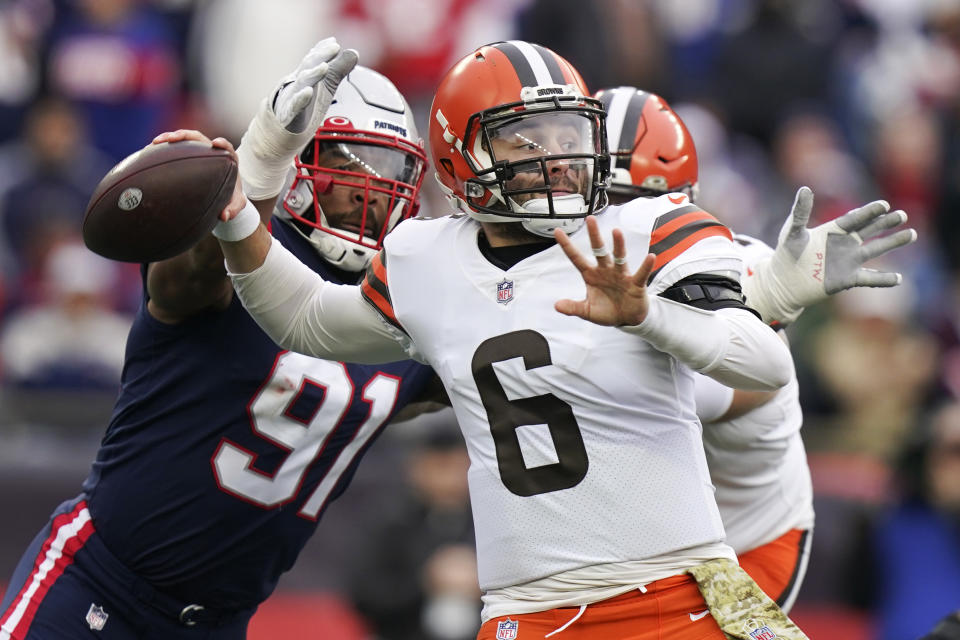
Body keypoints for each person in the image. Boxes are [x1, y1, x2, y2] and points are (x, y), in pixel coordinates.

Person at [212, 40, 806, 640]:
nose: (558, 158)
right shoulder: (426, 260)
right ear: (459, 154)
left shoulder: (648, 225)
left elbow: (764, 363)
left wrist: (647, 314)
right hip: (527, 611)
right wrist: (243, 202)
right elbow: (304, 319)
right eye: (527, 139)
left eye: (569, 134)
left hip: (678, 594)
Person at [0, 41, 438, 639]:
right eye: (350, 163)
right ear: (300, 164)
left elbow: (494, 364)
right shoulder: (242, 252)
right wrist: (254, 166)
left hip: (219, 624)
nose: (371, 188)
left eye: (388, 170)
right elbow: (191, 274)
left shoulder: (403, 308)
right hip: (98, 588)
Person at [593, 85, 917, 611]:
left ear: (678, 204)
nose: (610, 225)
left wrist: (767, 304)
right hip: (630, 543)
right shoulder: (548, 273)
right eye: (598, 202)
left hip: (743, 549)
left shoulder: (732, 268)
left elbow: (733, 383)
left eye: (629, 205)